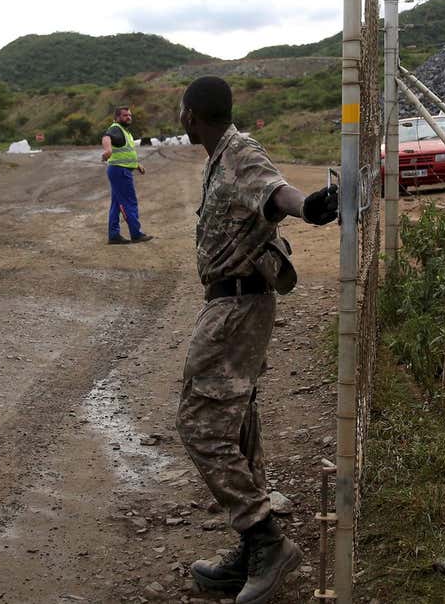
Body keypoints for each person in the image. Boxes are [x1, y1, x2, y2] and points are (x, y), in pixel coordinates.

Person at [176, 76, 338, 604]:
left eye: (182, 110)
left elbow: (275, 193)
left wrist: (308, 207)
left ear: (191, 115)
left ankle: (265, 539)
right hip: (236, 300)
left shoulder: (239, 153)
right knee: (236, 416)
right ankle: (251, 550)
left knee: (200, 424)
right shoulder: (221, 154)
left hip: (236, 305)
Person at [100, 105, 152, 245]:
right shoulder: (115, 128)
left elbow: (125, 153)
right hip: (120, 171)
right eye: (125, 115)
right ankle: (136, 234)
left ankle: (114, 235)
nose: (128, 117)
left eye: (130, 115)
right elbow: (107, 136)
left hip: (119, 170)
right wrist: (107, 150)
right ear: (117, 118)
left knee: (116, 204)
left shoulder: (124, 132)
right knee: (130, 202)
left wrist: (137, 165)